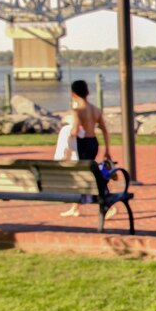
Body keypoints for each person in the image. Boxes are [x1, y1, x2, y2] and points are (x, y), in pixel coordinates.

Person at [61, 80, 112, 218]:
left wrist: (66, 132)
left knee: (86, 175)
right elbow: (105, 130)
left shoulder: (77, 111)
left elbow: (75, 129)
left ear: (73, 94)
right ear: (87, 92)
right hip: (93, 143)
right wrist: (107, 150)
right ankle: (75, 206)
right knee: (86, 173)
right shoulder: (95, 110)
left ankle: (108, 204)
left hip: (82, 144)